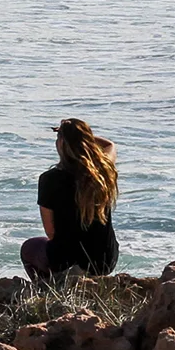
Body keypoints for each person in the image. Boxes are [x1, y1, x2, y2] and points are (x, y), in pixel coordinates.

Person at [20, 117, 119, 280]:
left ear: (61, 143)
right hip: (104, 261)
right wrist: (80, 136)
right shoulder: (102, 171)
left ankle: (50, 287)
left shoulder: (49, 179)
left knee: (29, 247)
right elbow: (109, 145)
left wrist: (70, 135)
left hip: (68, 261)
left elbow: (51, 233)